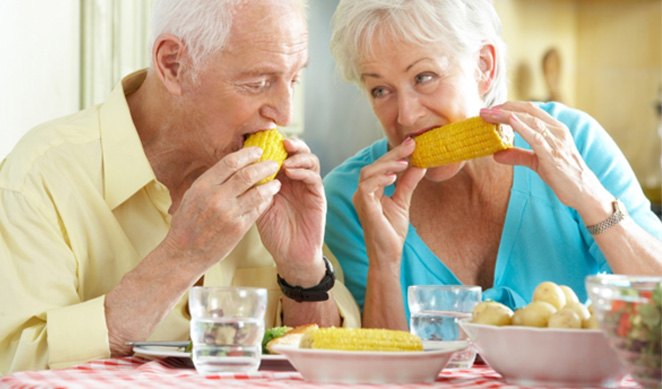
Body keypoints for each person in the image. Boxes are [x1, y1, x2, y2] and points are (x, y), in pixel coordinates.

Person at [0, 0, 360, 374]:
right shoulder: (40, 177)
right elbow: (14, 366)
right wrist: (181, 257)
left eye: (294, 78)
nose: (284, 114)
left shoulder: (280, 188)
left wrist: (303, 273)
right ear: (173, 64)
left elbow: (338, 369)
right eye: (257, 83)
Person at [325, 0, 662, 330]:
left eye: (424, 77)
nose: (406, 116)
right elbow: (378, 371)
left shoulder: (574, 142)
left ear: (483, 67)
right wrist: (385, 263)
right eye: (381, 89)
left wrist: (592, 200)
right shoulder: (351, 198)